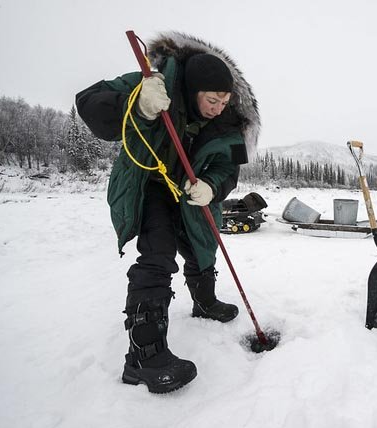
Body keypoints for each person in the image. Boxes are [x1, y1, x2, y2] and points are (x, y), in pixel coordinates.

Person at [76, 32, 260, 394]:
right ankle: (144, 356)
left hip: (193, 191)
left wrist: (212, 185)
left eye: (225, 100)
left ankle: (205, 302)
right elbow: (88, 102)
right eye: (212, 99)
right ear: (193, 91)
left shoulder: (230, 124)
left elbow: (229, 171)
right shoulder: (154, 83)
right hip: (151, 184)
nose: (219, 107)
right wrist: (136, 103)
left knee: (202, 246)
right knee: (158, 253)